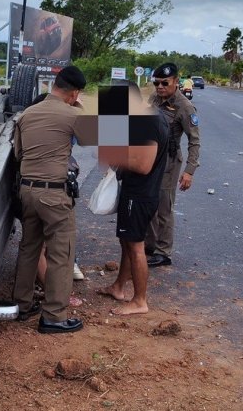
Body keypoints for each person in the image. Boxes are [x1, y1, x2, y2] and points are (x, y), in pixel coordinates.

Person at [12, 65, 88, 333]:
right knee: (61, 253)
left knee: (29, 247)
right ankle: (54, 316)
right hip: (54, 194)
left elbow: (19, 155)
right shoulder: (72, 114)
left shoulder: (27, 114)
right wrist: (81, 109)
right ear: (74, 93)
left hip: (27, 191)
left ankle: (21, 305)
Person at [97, 83, 169, 315]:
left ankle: (140, 300)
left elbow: (143, 165)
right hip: (139, 193)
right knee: (127, 242)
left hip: (139, 196)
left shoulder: (148, 123)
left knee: (136, 247)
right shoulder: (151, 117)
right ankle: (119, 287)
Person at [145, 63, 200, 267]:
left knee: (163, 206)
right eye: (156, 82)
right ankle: (150, 245)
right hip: (149, 156)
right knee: (149, 202)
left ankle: (163, 251)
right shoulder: (153, 98)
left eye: (164, 83)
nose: (159, 87)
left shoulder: (184, 106)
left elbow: (194, 141)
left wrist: (189, 171)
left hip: (168, 159)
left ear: (176, 82)